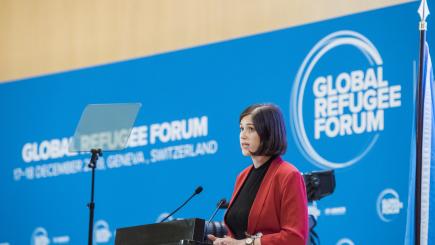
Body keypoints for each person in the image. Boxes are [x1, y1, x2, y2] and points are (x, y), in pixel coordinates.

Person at [208, 103, 308, 245]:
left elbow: (295, 238)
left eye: (251, 129)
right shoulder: (242, 176)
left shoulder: (288, 175)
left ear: (269, 132)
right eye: (241, 129)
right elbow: (238, 234)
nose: (243, 135)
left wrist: (245, 243)